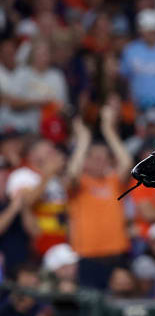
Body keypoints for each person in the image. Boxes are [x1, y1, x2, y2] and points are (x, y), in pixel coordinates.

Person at [63, 102, 133, 290]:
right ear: (85, 161)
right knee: (91, 307)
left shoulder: (113, 181)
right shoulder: (80, 184)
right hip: (88, 255)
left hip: (116, 254)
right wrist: (83, 141)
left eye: (104, 158)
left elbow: (127, 162)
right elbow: (71, 174)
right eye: (95, 157)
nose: (100, 162)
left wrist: (108, 130)